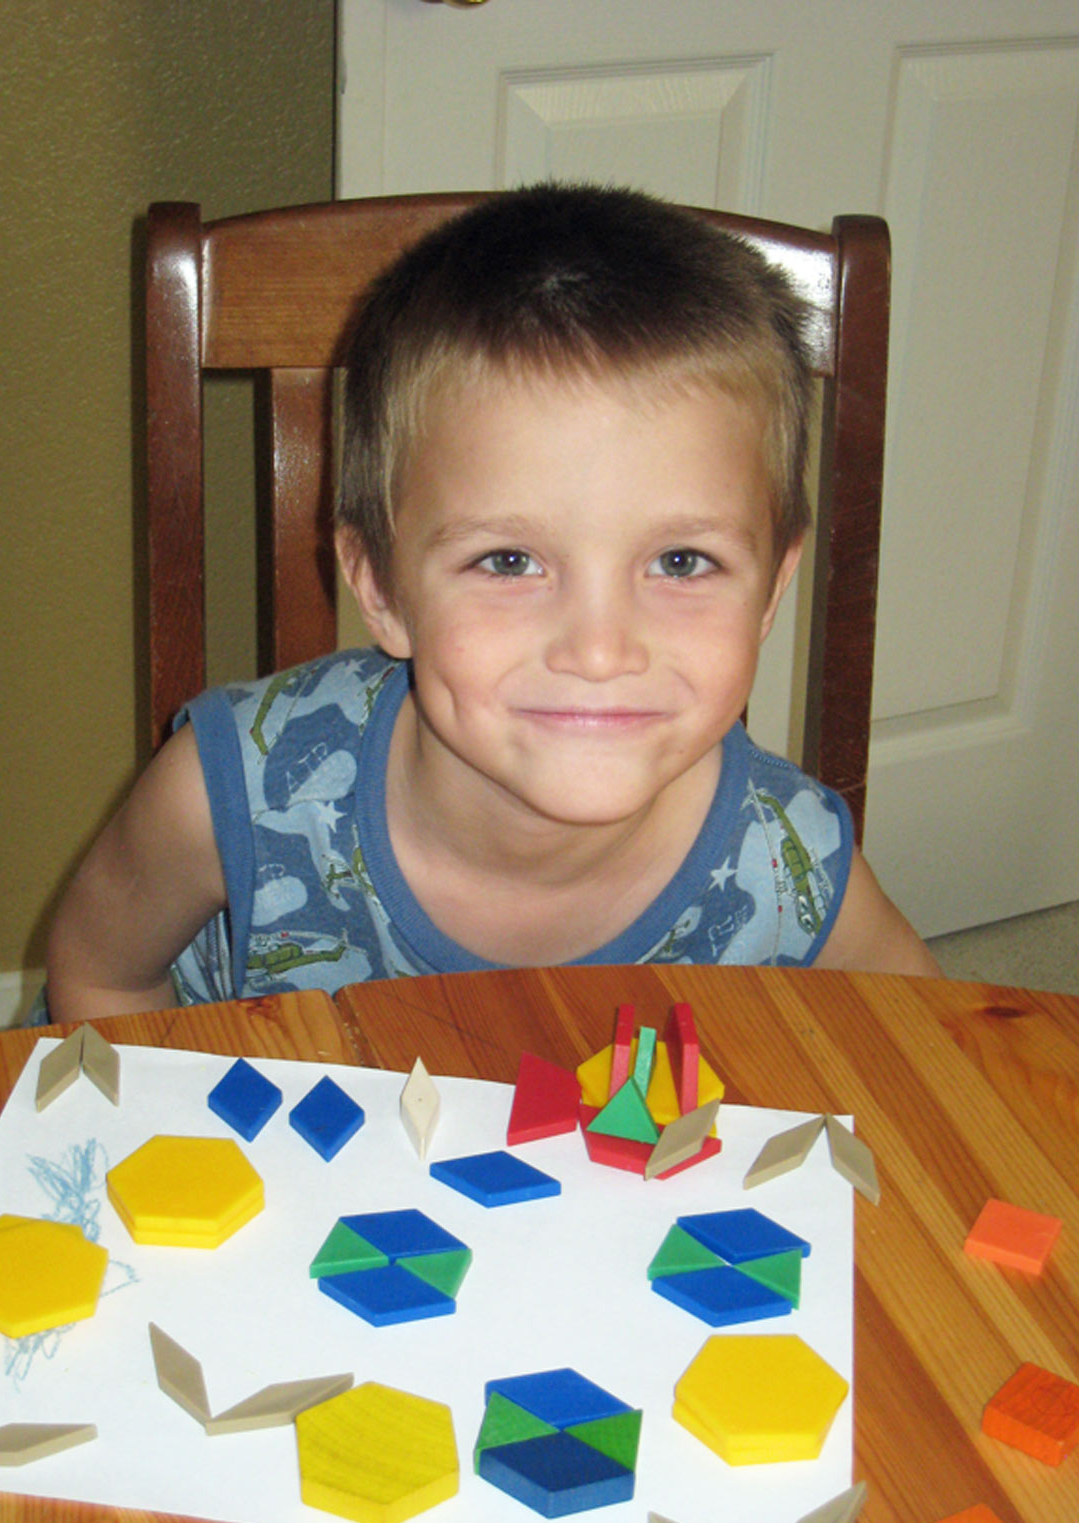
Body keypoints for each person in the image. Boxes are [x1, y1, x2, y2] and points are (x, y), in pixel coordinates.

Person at [46, 183, 938, 1022]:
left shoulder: (796, 860)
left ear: (773, 591)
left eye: (680, 560)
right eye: (509, 560)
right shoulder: (226, 792)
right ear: (382, 590)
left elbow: (926, 1044)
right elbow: (99, 973)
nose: (600, 649)